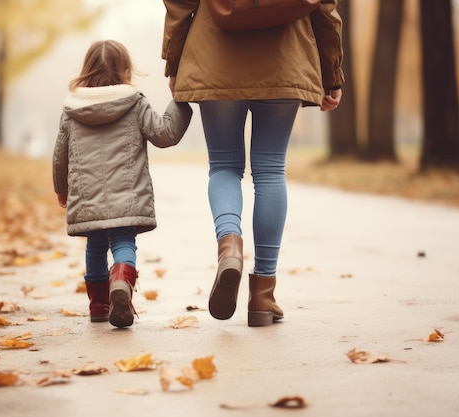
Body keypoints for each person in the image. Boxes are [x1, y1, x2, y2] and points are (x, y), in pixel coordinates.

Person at [162, 1, 344, 326]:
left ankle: (229, 246)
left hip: (213, 55)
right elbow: (325, 10)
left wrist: (175, 62)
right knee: (271, 170)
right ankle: (263, 295)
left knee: (223, 166)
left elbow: (179, 5)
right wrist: (331, 74)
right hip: (285, 57)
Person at [53, 40, 192, 328]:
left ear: (86, 70)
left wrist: (61, 189)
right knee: (123, 241)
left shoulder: (72, 108)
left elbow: (60, 154)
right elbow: (164, 134)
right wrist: (181, 100)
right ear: (125, 69)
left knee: (94, 247)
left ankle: (100, 305)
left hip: (88, 196)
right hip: (127, 196)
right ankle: (122, 279)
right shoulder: (135, 102)